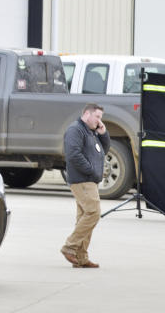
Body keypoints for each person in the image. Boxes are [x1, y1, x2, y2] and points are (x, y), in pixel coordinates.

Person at [60, 103, 110, 269]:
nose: (99, 121)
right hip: (82, 180)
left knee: (84, 217)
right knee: (93, 213)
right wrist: (91, 171)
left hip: (90, 180)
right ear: (87, 114)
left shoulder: (91, 132)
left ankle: (81, 257)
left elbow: (103, 150)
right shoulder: (75, 130)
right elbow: (73, 155)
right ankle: (70, 246)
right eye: (97, 117)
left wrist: (103, 134)